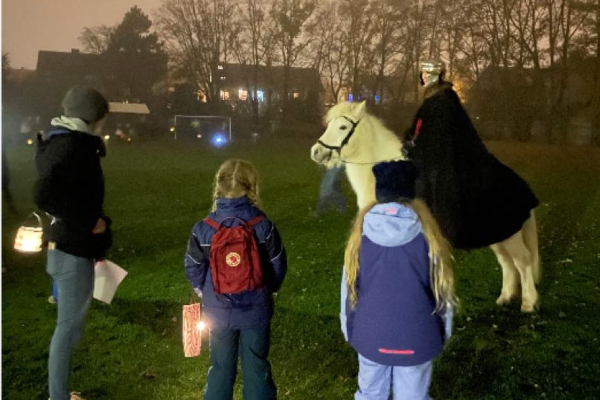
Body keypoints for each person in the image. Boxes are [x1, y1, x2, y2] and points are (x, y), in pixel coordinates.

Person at [341, 160, 457, 400]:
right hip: (418, 338)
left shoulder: (359, 237)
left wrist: (350, 330)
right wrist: (442, 334)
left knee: (370, 395)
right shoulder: (430, 237)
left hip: (370, 336)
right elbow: (443, 294)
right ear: (410, 193)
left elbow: (348, 292)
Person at [403, 59, 539, 250]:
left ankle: (442, 234)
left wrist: (417, 147)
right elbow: (419, 129)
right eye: (423, 74)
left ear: (437, 76)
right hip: (425, 157)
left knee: (438, 193)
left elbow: (440, 135)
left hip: (442, 161)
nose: (424, 77)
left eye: (428, 74)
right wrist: (408, 143)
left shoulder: (444, 100)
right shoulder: (429, 101)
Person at [184, 159, 287, 400]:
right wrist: (268, 289)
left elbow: (193, 266)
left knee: (220, 367)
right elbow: (278, 264)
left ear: (218, 186)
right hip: (256, 310)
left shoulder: (204, 228)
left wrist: (203, 290)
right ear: (252, 187)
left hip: (217, 309)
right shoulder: (263, 226)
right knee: (256, 366)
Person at [34, 86, 112, 400]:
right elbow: (45, 195)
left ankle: (60, 392)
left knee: (70, 327)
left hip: (70, 248)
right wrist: (87, 221)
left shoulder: (66, 142)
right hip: (72, 250)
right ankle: (58, 396)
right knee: (67, 329)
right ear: (91, 116)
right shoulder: (70, 146)